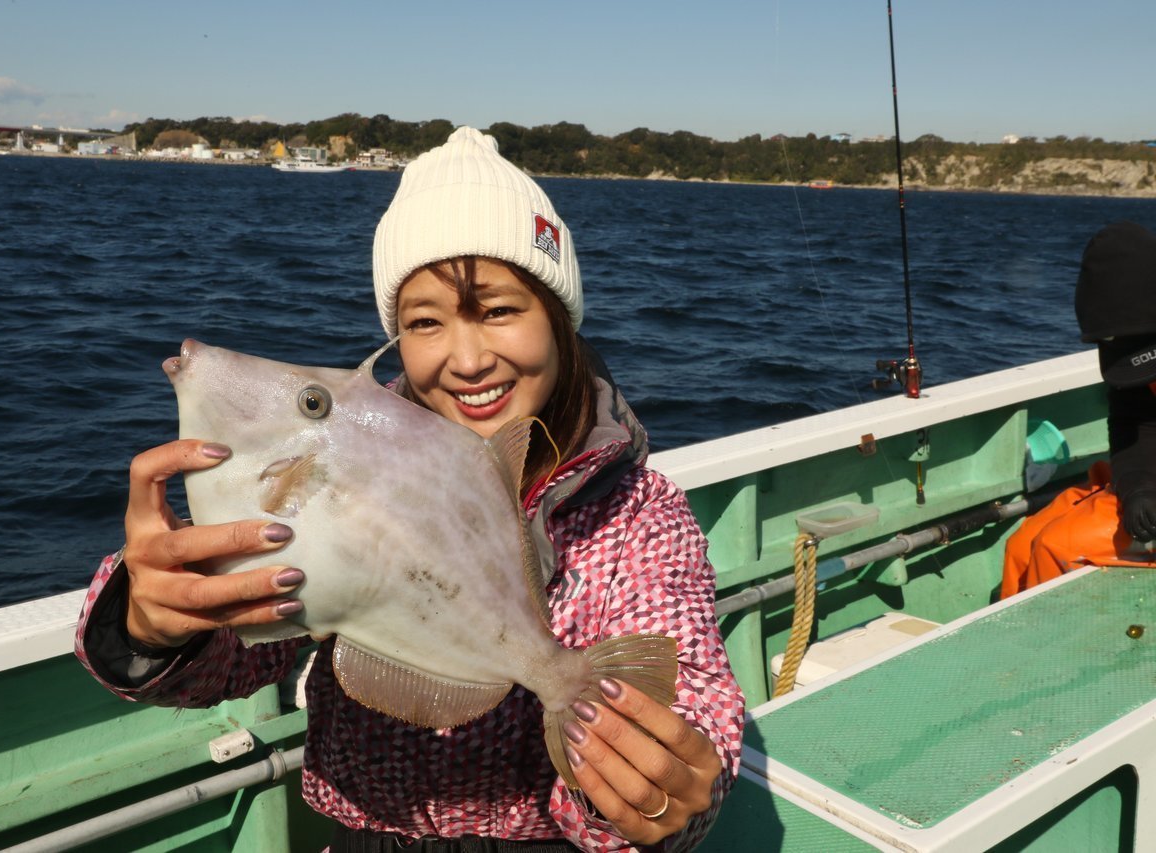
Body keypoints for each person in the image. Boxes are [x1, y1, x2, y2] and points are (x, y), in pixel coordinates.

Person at [75, 126, 745, 851]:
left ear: (558, 319)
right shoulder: (363, 457)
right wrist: (150, 621)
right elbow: (243, 655)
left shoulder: (636, 513)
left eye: (498, 309)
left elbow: (695, 701)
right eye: (425, 322)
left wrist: (657, 796)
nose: (466, 358)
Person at [1001, 220, 1156, 597]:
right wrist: (1138, 489)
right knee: (1022, 546)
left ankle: (1048, 653)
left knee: (1058, 548)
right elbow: (1132, 424)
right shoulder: (1127, 357)